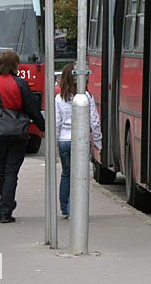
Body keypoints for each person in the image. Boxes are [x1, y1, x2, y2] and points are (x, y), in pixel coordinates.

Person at [0, 50, 45, 223]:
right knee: (11, 172)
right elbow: (32, 108)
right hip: (18, 132)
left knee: (2, 170)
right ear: (15, 65)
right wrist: (42, 127)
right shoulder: (20, 84)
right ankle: (5, 208)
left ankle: (6, 202)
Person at [55, 63, 102, 219]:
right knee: (79, 176)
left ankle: (65, 207)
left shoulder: (58, 99)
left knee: (66, 174)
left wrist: (56, 144)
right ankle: (74, 207)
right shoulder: (86, 97)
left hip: (64, 141)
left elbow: (56, 123)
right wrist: (97, 143)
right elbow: (94, 121)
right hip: (79, 141)